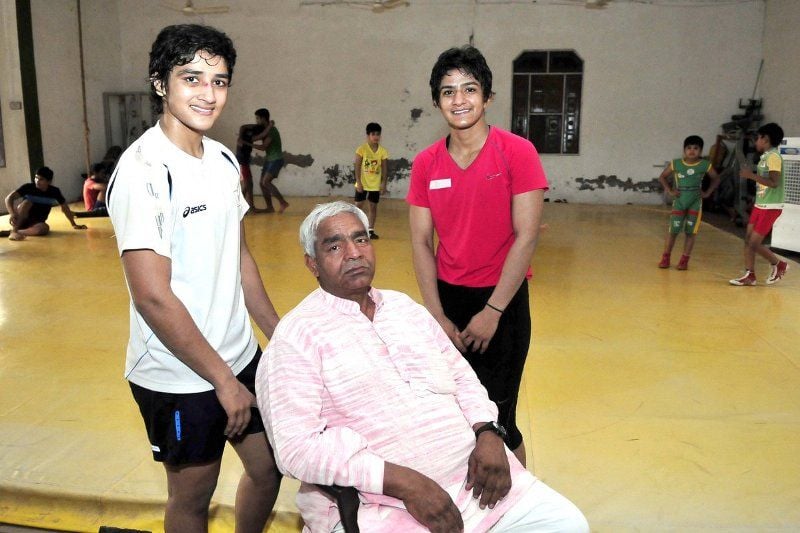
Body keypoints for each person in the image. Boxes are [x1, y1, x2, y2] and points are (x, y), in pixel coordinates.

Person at [256, 201, 588, 533]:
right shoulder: (295, 338)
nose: (353, 252)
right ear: (312, 263)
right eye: (334, 245)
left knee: (566, 523)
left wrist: (488, 432)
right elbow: (295, 448)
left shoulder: (404, 308)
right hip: (383, 502)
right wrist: (404, 482)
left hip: (476, 479)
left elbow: (461, 376)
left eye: (361, 239)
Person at [105, 24, 282, 532]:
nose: (209, 94)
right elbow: (152, 298)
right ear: (160, 83)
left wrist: (278, 331)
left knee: (269, 469)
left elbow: (238, 256)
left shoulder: (224, 160)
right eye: (192, 78)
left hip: (239, 354)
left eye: (220, 81)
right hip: (179, 374)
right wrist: (223, 382)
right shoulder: (143, 172)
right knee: (192, 497)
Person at [406, 46, 546, 468]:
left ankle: (518, 509)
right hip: (448, 302)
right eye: (448, 92)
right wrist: (437, 315)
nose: (459, 99)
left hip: (501, 303)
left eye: (470, 89)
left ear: (487, 97)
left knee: (500, 421)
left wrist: (493, 311)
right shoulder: (426, 164)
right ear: (437, 101)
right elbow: (419, 242)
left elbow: (526, 237)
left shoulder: (517, 153)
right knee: (456, 418)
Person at [729, 122, 790, 286]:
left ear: (765, 139)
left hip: (771, 207)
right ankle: (750, 275)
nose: (756, 142)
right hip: (761, 205)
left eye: (758, 138)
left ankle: (779, 264)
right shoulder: (765, 157)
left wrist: (750, 176)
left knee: (754, 243)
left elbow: (773, 182)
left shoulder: (774, 157)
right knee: (748, 239)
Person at [657, 135, 721, 270]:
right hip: (679, 201)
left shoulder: (705, 165)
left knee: (690, 232)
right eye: (689, 148)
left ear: (701, 151)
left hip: (695, 202)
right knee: (673, 230)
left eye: (696, 148)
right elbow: (662, 177)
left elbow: (716, 179)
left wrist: (708, 192)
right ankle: (666, 257)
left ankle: (684, 260)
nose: (692, 151)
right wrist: (670, 190)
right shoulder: (676, 163)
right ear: (684, 150)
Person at [2, 166, 87, 240]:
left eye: (41, 179)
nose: (37, 181)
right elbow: (9, 198)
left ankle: (14, 232)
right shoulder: (28, 187)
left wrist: (74, 224)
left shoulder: (54, 191)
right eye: (36, 178)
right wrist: (12, 214)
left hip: (36, 222)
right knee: (28, 202)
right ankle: (14, 230)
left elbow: (65, 208)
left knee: (44, 229)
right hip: (21, 218)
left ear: (49, 181)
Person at [354, 122, 389, 239]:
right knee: (358, 205)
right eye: (373, 134)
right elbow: (357, 167)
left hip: (375, 185)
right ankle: (354, 229)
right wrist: (358, 182)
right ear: (368, 135)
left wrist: (383, 183)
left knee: (373, 207)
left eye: (378, 134)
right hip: (363, 183)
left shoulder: (383, 151)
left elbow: (384, 168)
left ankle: (370, 230)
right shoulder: (361, 150)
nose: (376, 137)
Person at [251, 108, 289, 213]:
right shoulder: (266, 129)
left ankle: (283, 202)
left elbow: (263, 147)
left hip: (276, 159)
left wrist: (248, 144)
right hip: (269, 160)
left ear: (263, 118)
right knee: (262, 183)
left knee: (265, 182)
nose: (256, 121)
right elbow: (257, 137)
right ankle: (270, 207)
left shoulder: (272, 130)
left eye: (258, 118)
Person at [235, 116, 266, 212]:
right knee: (249, 184)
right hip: (242, 160)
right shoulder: (253, 130)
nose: (257, 120)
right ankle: (250, 207)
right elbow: (244, 127)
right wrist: (270, 127)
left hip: (243, 159)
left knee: (247, 185)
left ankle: (239, 206)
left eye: (258, 118)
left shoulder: (250, 134)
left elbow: (244, 128)